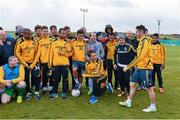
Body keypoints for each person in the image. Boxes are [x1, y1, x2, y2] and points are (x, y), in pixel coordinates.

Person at [119, 25, 156, 113]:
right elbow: (138, 57)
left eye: (136, 32)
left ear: (141, 32)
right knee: (132, 84)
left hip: (146, 68)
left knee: (149, 88)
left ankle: (153, 106)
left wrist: (128, 66)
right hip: (139, 67)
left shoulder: (145, 41)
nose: (135, 34)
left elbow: (140, 57)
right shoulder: (140, 41)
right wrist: (135, 65)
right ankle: (129, 101)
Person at [15, 28, 41, 101]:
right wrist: (25, 65)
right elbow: (17, 54)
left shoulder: (35, 40)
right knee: (26, 78)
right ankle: (28, 92)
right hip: (24, 63)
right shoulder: (19, 41)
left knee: (36, 76)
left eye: (31, 34)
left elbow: (38, 53)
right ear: (23, 34)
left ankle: (36, 92)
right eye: (28, 34)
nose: (30, 36)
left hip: (34, 62)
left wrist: (32, 65)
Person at [49, 28, 73, 99]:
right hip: (56, 64)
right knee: (56, 79)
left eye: (65, 33)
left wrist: (63, 53)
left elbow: (70, 53)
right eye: (62, 33)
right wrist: (50, 64)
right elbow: (51, 54)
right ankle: (55, 92)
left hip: (65, 64)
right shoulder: (53, 42)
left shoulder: (67, 42)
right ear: (59, 33)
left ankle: (64, 92)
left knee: (65, 79)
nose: (64, 35)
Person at [36, 26, 54, 96]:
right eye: (44, 31)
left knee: (51, 76)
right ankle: (44, 89)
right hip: (42, 62)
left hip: (51, 62)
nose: (45, 32)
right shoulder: (39, 40)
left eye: (46, 31)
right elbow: (37, 52)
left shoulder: (52, 39)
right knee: (44, 76)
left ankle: (51, 89)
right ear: (41, 32)